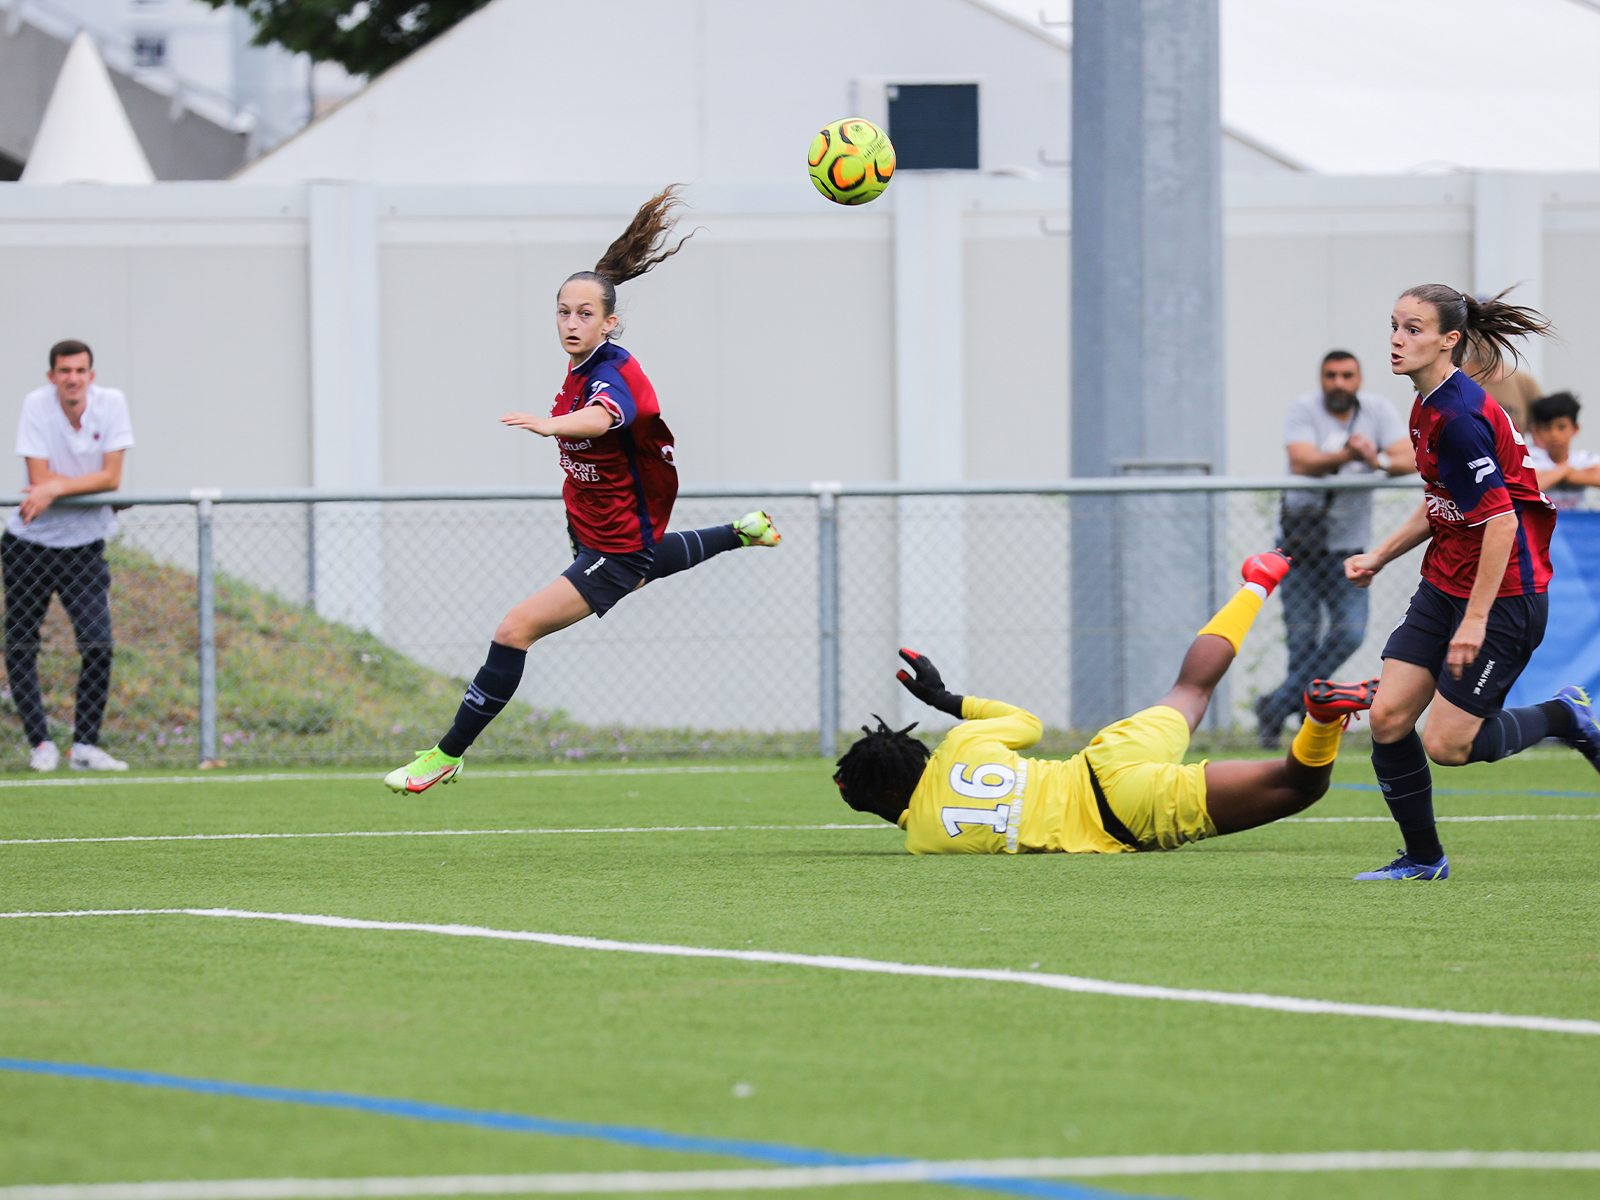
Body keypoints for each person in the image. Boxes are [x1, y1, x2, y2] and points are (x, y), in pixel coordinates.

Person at [385, 187, 779, 794]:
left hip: (615, 543)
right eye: (564, 312)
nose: (572, 323)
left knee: (514, 630)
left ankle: (445, 755)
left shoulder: (616, 373)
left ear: (609, 322)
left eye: (585, 314)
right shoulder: (581, 364)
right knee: (643, 564)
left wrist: (553, 425)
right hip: (596, 525)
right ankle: (741, 531)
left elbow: (603, 417)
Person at [833, 550, 1378, 855]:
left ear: (888, 798)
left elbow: (919, 816)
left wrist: (878, 801)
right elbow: (1027, 724)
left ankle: (1320, 717)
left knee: (1296, 786)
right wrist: (946, 700)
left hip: (1125, 812)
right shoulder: (961, 743)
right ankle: (1258, 582)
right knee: (1190, 690)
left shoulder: (925, 839)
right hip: (1105, 757)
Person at [1343, 286, 1600, 881]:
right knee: (1388, 718)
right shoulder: (1425, 403)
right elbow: (1442, 499)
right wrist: (1379, 555)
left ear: (1449, 340)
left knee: (1448, 745)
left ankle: (1563, 716)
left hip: (1504, 595)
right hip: (1444, 584)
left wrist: (1476, 621)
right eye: (1394, 326)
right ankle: (1424, 860)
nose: (1396, 340)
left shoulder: (1459, 417)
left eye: (1413, 329)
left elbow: (1501, 522)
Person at [1254, 350, 1414, 746]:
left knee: (1350, 633)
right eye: (1331, 375)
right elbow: (1302, 461)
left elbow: (1409, 458)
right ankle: (1300, 725)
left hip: (1349, 547)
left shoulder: (1377, 410)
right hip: (1300, 545)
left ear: (1359, 379)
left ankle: (1276, 705)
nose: (1339, 383)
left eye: (1346, 375)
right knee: (1301, 641)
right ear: (1321, 378)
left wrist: (1375, 459)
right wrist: (1350, 454)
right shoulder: (1304, 409)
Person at [4, 339, 134, 772]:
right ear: (52, 376)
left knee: (98, 644)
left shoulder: (112, 404)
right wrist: (81, 483)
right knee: (21, 644)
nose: (72, 379)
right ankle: (41, 745)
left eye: (80, 371)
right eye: (64, 371)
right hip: (29, 545)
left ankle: (85, 747)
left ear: (91, 376)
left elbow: (111, 477)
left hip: (84, 549)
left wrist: (58, 487)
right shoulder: (36, 405)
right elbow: (36, 476)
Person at [1526, 392, 1600, 511]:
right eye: (1547, 428)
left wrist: (1550, 476)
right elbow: (1530, 486)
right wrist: (1566, 469)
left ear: (1575, 428)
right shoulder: (1530, 458)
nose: (1554, 434)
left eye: (1561, 427)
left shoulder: (1585, 457)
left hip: (1578, 521)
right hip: (1546, 522)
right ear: (1537, 431)